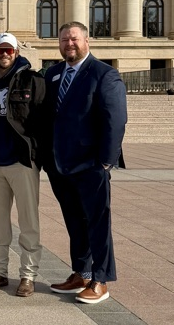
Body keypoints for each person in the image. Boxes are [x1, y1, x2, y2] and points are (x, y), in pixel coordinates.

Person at [44, 21, 127, 305]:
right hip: (60, 164)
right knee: (74, 222)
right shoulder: (53, 74)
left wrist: (106, 161)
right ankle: (81, 272)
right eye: (65, 39)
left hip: (91, 165)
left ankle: (101, 279)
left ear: (87, 41)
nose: (70, 44)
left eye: (74, 39)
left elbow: (115, 120)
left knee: (97, 223)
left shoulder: (104, 74)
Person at [0, 33, 47, 297]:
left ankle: (27, 275)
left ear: (16, 52)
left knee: (29, 222)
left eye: (9, 50)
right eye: (0, 50)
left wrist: (37, 156)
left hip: (21, 162)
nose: (4, 54)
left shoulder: (33, 79)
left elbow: (43, 120)